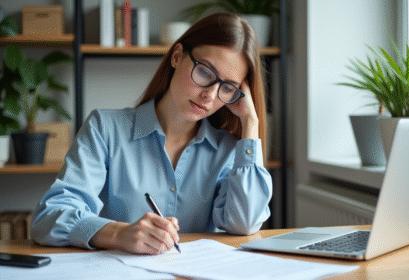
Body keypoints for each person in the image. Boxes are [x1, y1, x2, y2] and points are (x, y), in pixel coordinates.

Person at [30, 12, 273, 255]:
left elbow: (244, 223)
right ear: (177, 56)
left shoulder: (229, 150)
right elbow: (48, 218)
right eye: (206, 73)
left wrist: (250, 124)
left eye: (227, 88)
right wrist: (117, 234)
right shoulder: (105, 129)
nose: (209, 95)